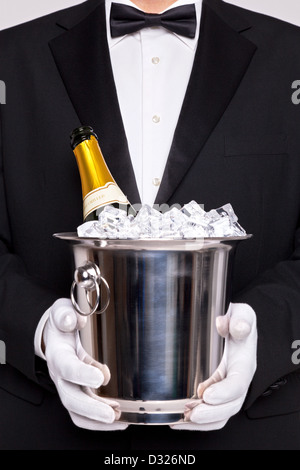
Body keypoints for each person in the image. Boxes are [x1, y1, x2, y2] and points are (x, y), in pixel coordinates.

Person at [0, 0, 300, 450]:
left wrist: (265, 334)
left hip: (259, 430)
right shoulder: (10, 56)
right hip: (41, 430)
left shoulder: (292, 56)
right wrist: (39, 327)